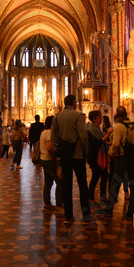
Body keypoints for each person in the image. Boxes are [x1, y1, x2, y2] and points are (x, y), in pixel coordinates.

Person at [51, 95, 96, 225]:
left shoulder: (57, 117)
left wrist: (57, 153)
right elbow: (83, 136)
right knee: (82, 185)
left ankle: (68, 216)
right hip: (77, 155)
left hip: (64, 156)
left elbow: (54, 138)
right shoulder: (77, 116)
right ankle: (86, 215)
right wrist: (84, 150)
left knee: (66, 185)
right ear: (74, 103)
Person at [96, 106, 134, 221]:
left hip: (122, 158)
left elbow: (115, 144)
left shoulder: (119, 126)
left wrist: (113, 155)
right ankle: (130, 213)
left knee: (115, 184)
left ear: (117, 116)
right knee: (133, 185)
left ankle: (109, 211)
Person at [39, 116, 64, 214]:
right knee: (60, 181)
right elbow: (49, 148)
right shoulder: (50, 133)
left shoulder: (43, 132)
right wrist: (55, 157)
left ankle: (47, 204)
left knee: (48, 182)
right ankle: (58, 206)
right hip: (49, 160)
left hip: (43, 159)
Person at [87, 110, 112, 206]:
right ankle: (90, 198)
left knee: (105, 175)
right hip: (95, 157)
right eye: (99, 117)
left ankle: (103, 196)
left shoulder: (97, 127)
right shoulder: (92, 128)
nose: (101, 119)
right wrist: (108, 134)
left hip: (101, 156)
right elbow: (98, 142)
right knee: (95, 177)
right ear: (94, 119)